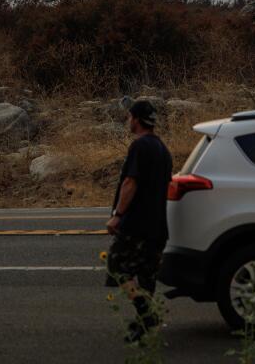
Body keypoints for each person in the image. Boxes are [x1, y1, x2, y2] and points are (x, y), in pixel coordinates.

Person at [105, 99, 174, 343]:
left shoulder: (140, 146)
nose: (128, 121)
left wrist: (118, 216)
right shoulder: (163, 150)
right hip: (158, 225)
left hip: (137, 224)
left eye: (129, 117)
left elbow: (130, 182)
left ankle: (147, 314)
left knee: (116, 266)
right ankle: (145, 326)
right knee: (146, 277)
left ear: (135, 119)